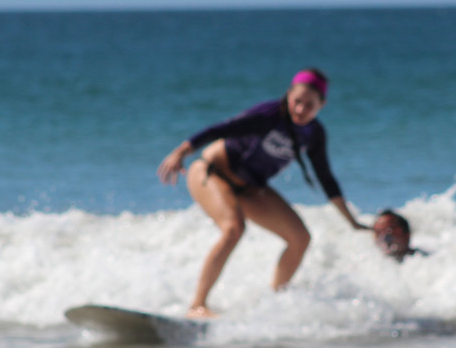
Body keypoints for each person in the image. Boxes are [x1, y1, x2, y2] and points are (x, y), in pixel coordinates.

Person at [157, 68, 370, 318]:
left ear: (322, 105)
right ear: (288, 95)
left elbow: (326, 179)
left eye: (309, 105)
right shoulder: (269, 114)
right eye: (297, 101)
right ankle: (197, 306)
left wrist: (352, 222)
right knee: (233, 229)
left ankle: (276, 303)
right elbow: (220, 129)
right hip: (211, 173)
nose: (301, 109)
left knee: (300, 238)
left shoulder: (314, 134)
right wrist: (180, 152)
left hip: (251, 189)